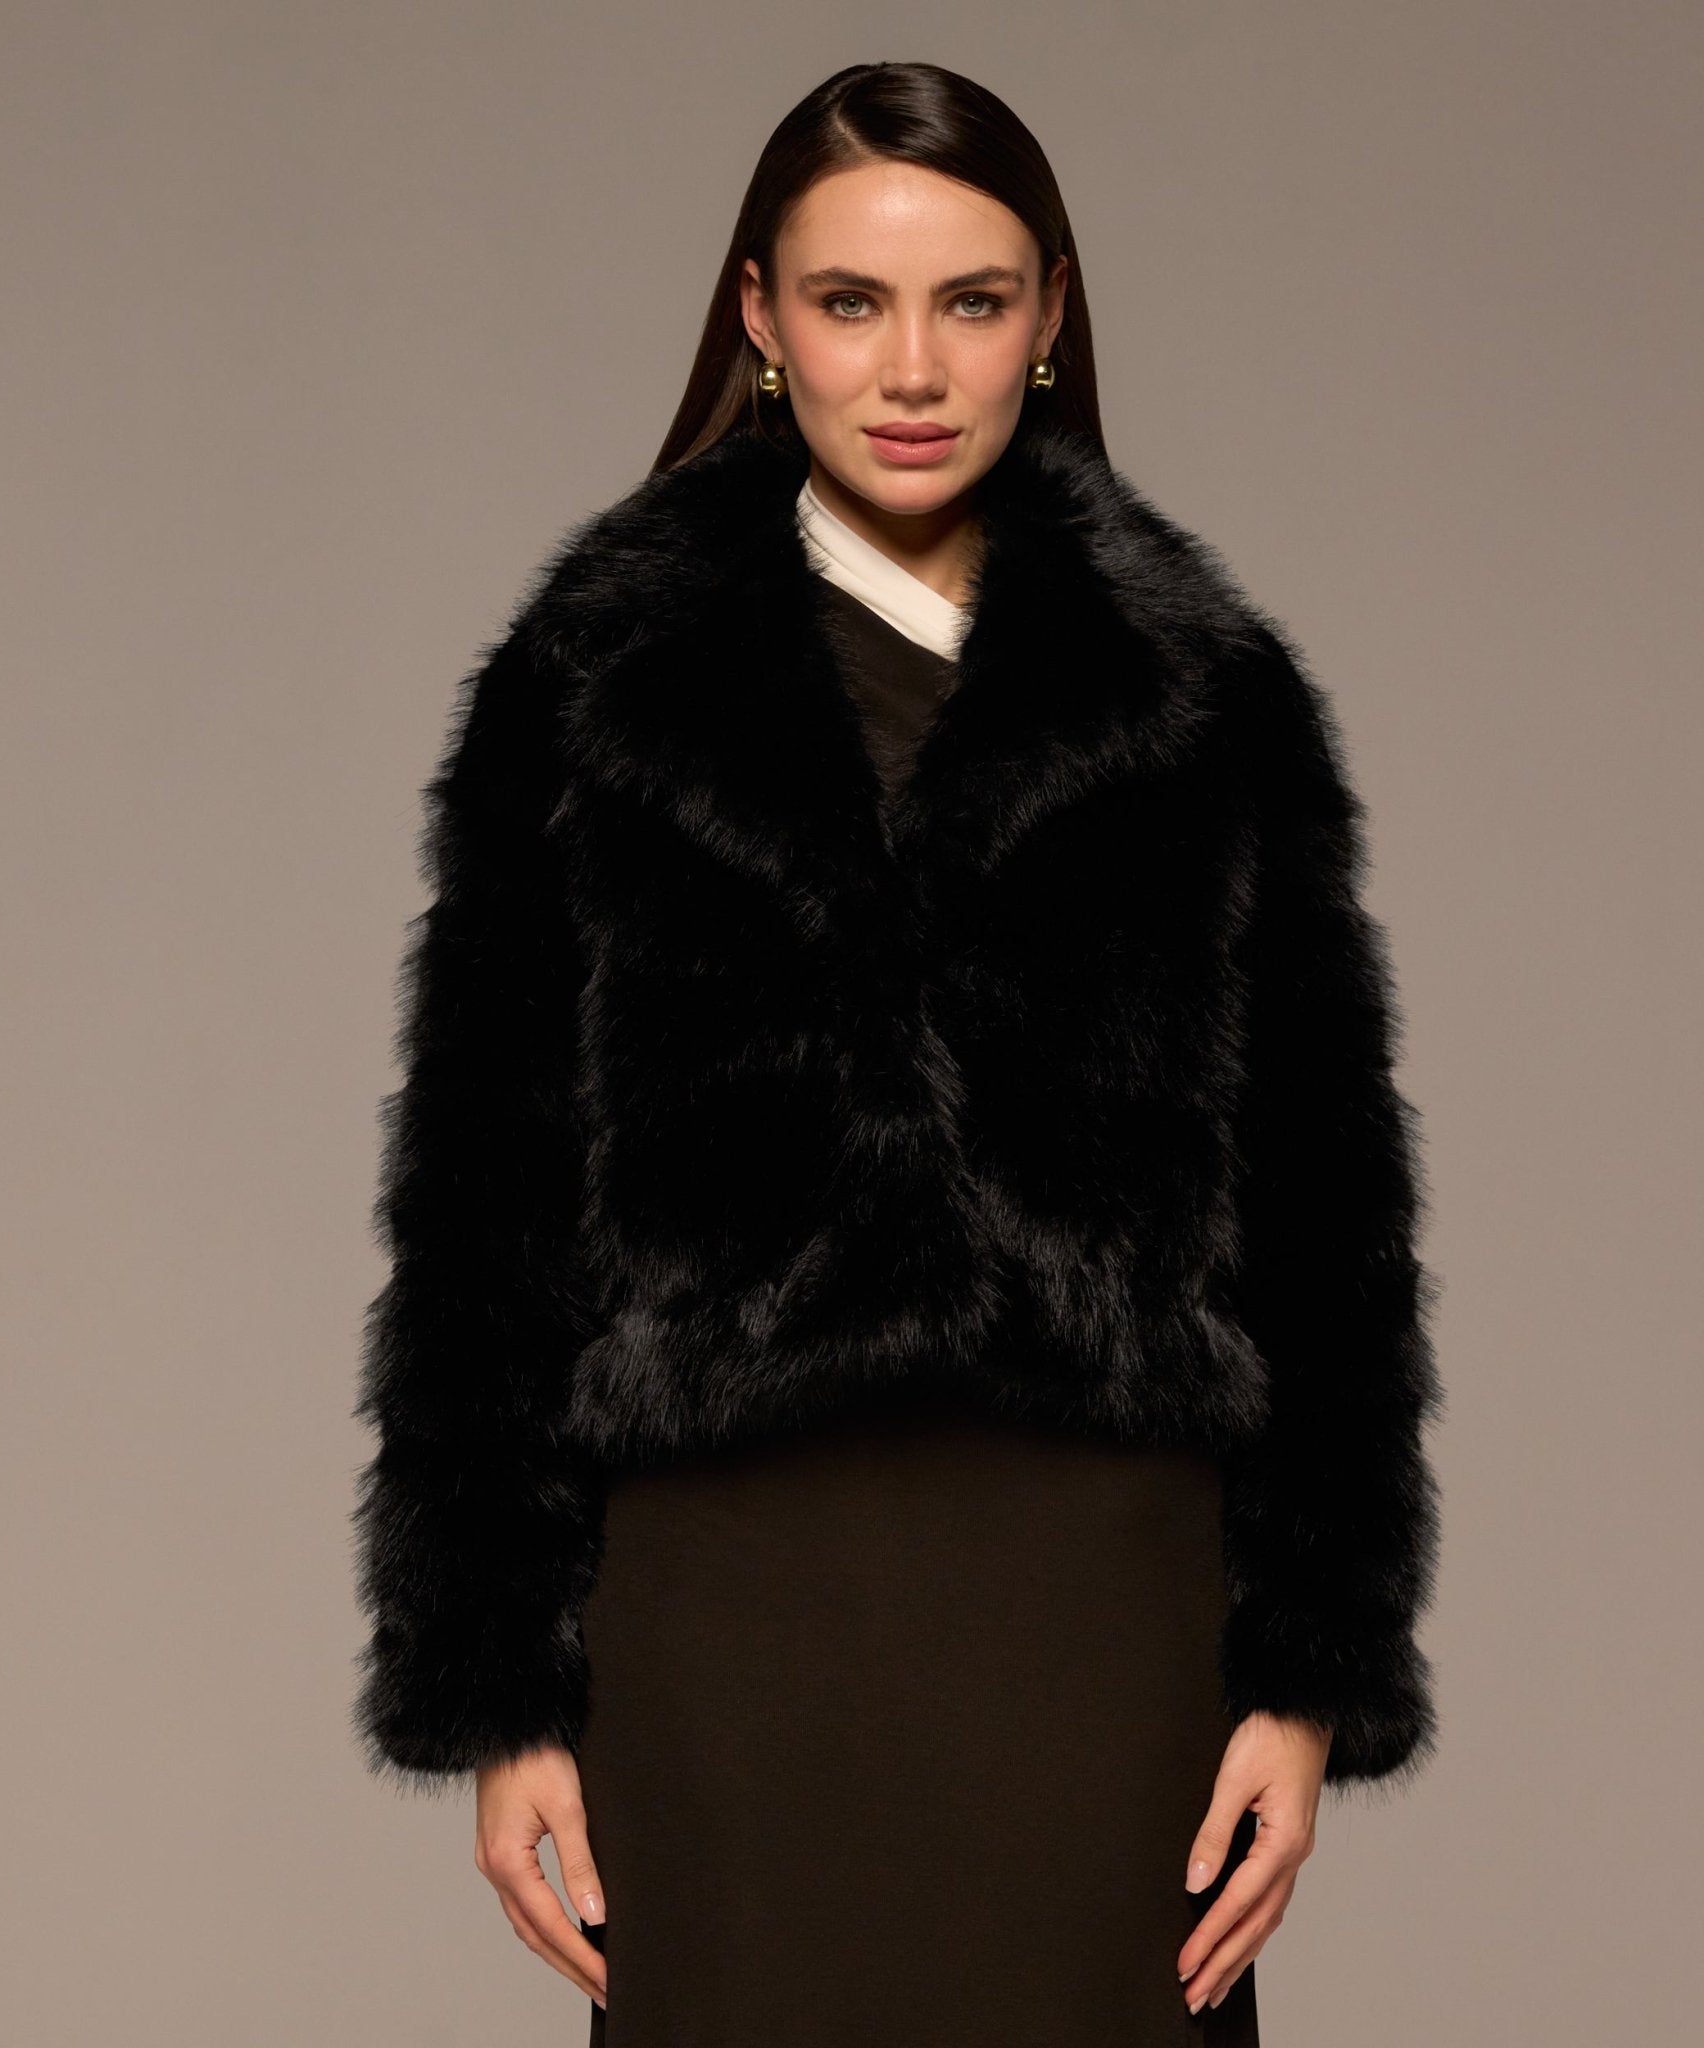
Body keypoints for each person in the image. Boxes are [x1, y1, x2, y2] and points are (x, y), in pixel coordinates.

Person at [350, 59, 1443, 2047]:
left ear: (1050, 316)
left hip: (1106, 1606)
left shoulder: (1201, 692)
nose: (914, 368)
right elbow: (483, 1215)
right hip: (722, 1616)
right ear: (760, 317)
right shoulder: (590, 682)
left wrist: (1309, 1673)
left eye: (974, 300)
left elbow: (1327, 1214)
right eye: (852, 301)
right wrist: (497, 1689)